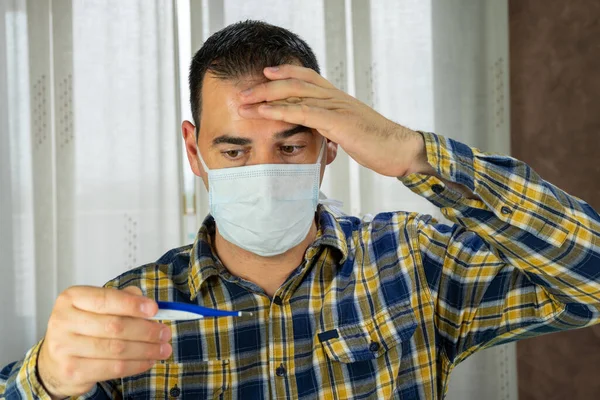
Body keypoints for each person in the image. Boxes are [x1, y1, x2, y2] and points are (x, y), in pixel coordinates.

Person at [1, 20, 599, 400]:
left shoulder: (417, 263)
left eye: (290, 146)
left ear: (330, 143)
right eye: (233, 150)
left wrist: (414, 154)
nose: (262, 173)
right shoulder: (136, 308)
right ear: (193, 149)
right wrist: (47, 381)